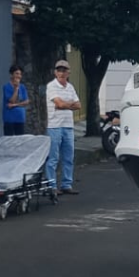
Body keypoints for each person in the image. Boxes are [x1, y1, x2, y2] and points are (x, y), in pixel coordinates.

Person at [45, 59, 81, 195]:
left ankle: (66, 184)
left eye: (64, 71)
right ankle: (52, 185)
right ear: (55, 72)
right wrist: (69, 104)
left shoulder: (70, 87)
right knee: (53, 157)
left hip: (68, 126)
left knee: (68, 157)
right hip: (54, 126)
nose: (61, 73)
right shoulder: (51, 86)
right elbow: (59, 104)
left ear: (68, 72)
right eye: (59, 70)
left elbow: (78, 105)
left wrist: (64, 105)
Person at [3, 64, 29, 136]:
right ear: (11, 75)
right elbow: (12, 100)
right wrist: (16, 88)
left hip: (20, 118)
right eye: (17, 73)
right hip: (9, 119)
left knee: (20, 139)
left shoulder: (23, 87)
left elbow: (26, 102)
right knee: (10, 140)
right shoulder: (6, 87)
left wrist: (15, 105)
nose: (19, 76)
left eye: (20, 74)